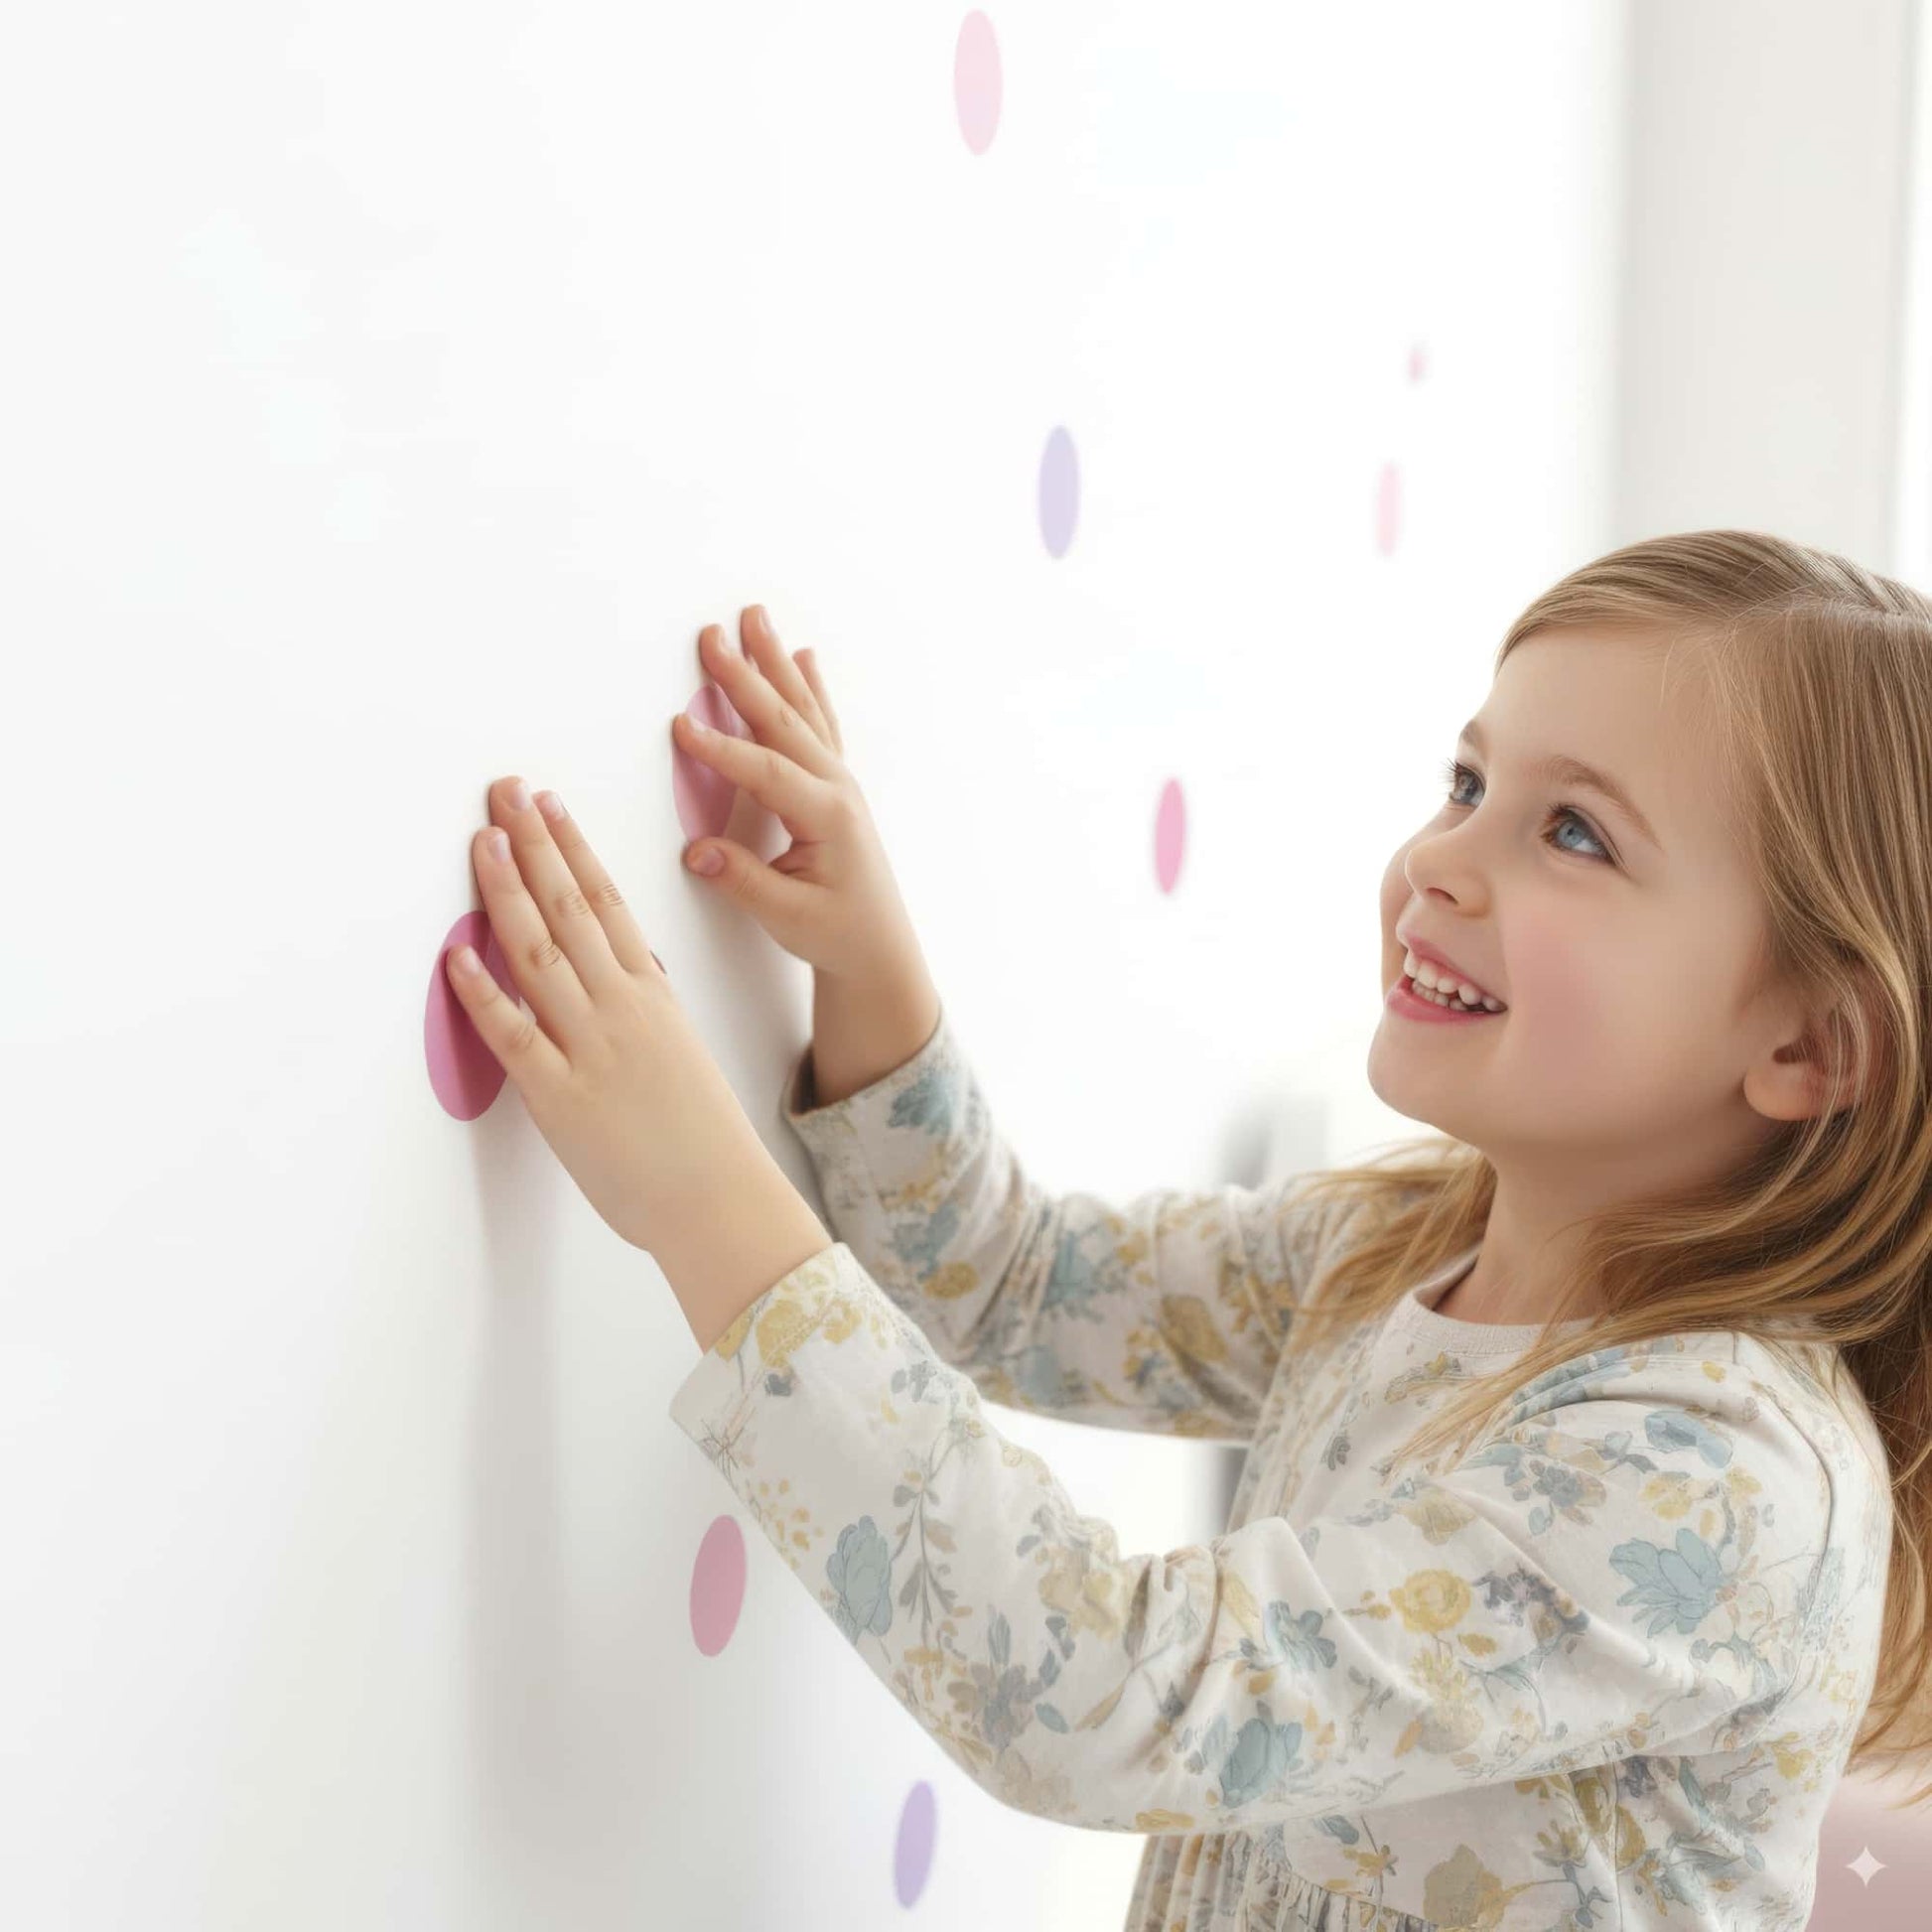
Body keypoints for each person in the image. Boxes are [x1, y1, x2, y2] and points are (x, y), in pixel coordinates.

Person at [662, 537, 1928, 1930]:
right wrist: (864, 959)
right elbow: (1008, 1287)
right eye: (1468, 784)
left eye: (1574, 832)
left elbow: (1105, 1695)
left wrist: (687, 1185)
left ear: (1812, 1045)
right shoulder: (1389, 1254)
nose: (1437, 859)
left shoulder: (1719, 1479)